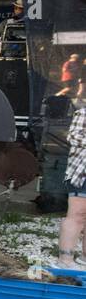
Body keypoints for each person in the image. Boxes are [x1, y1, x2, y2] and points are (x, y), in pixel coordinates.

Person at [62, 84, 86, 270]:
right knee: (76, 215)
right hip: (81, 172)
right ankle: (65, 260)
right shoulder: (83, 112)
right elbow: (73, 137)